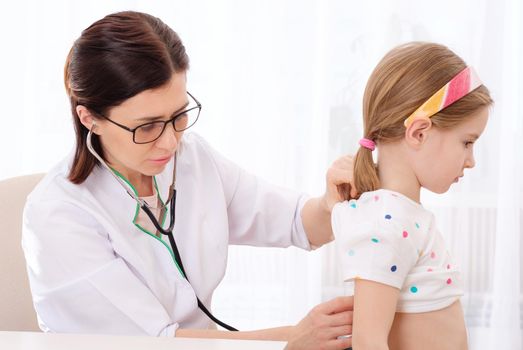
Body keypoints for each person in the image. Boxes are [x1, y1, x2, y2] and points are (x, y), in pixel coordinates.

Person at [21, 10, 354, 349]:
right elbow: (155, 343)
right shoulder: (57, 215)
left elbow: (298, 223)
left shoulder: (192, 159)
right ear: (90, 118)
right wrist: (291, 340)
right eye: (147, 126)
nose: (171, 142)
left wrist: (331, 203)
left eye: (179, 116)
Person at [331, 42, 493, 350]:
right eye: (467, 142)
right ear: (419, 132)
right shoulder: (385, 223)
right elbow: (369, 342)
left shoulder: (399, 216)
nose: (471, 161)